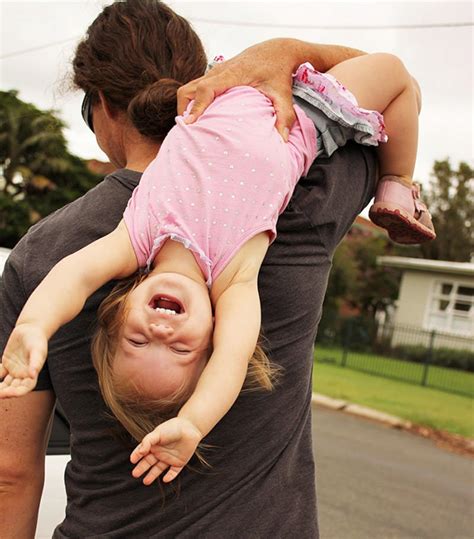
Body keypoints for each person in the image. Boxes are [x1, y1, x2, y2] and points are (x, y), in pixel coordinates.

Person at [0, 1, 382, 536]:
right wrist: (286, 55)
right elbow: (386, 82)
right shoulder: (306, 190)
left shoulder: (42, 254)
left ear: (101, 106)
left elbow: (12, 474)